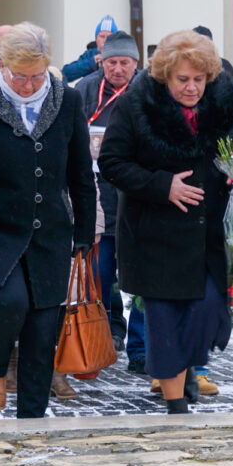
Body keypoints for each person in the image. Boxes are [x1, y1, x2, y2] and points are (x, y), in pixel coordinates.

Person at [0, 22, 96, 418]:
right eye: (19, 76)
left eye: (36, 76)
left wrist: (84, 229)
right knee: (8, 302)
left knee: (43, 329)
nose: (27, 85)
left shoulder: (67, 100)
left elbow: (80, 172)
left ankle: (32, 418)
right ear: (1, 66)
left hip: (50, 229)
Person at [99, 29, 233, 414]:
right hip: (155, 234)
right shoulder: (136, 104)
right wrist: (162, 185)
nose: (192, 88)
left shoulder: (221, 100)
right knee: (165, 322)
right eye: (182, 79)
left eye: (199, 79)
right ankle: (175, 406)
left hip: (208, 232)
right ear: (165, 75)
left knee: (211, 309)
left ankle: (187, 370)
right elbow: (112, 162)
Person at [77, 31, 146, 359]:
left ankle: (140, 348)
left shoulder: (148, 90)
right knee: (100, 277)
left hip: (137, 200)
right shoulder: (85, 89)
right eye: (111, 63)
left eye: (125, 63)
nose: (118, 69)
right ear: (102, 62)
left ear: (136, 63)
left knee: (142, 280)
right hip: (99, 199)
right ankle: (103, 338)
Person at [62, 15, 119, 83]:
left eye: (109, 37)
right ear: (96, 39)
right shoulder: (90, 54)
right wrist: (91, 62)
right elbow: (65, 74)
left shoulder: (121, 55)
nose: (105, 41)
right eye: (102, 37)